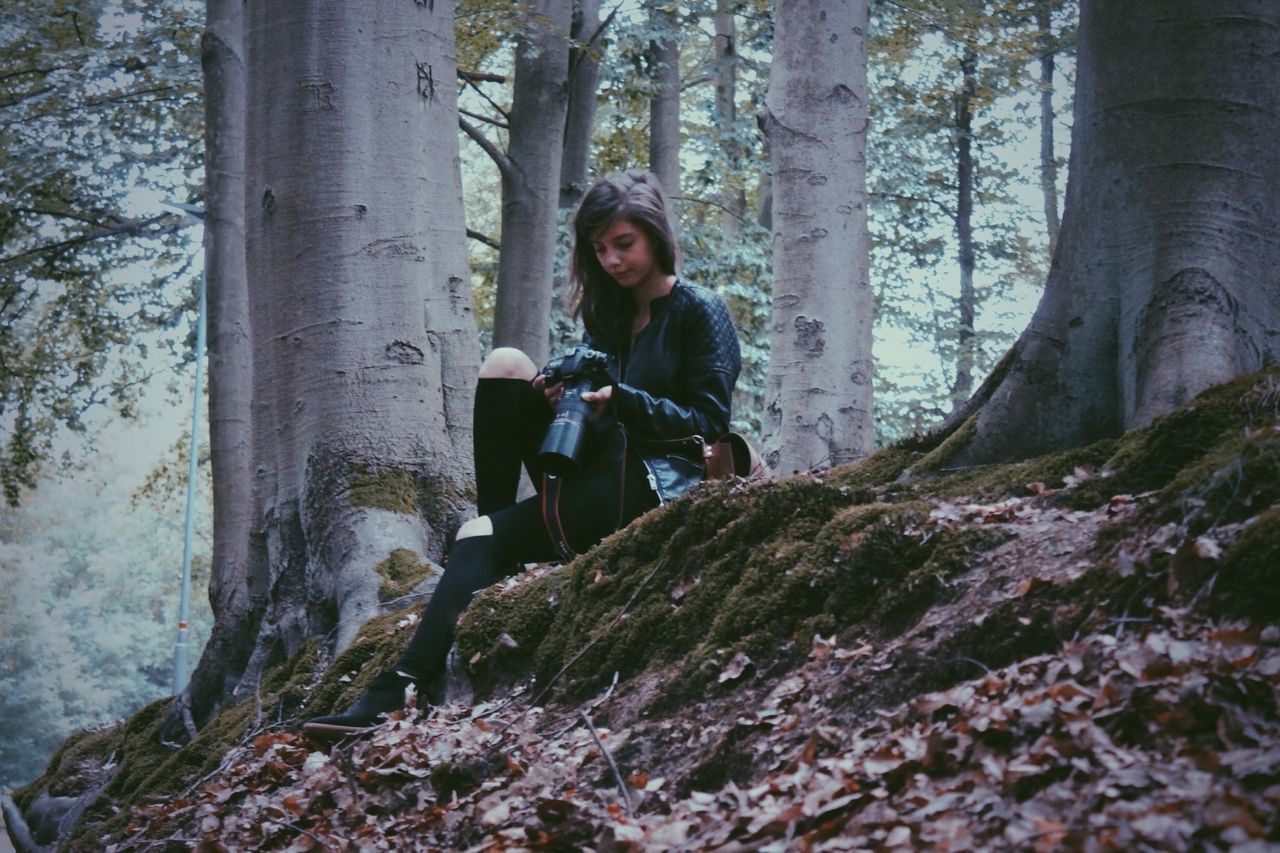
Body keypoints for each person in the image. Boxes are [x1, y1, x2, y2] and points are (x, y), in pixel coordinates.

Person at [305, 171, 741, 735]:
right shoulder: (607, 313)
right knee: (508, 364)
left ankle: (397, 690)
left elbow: (708, 425)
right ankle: (495, 533)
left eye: (623, 244)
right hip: (595, 466)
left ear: (656, 235)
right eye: (599, 248)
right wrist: (563, 391)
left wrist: (623, 401)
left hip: (652, 482)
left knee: (480, 537)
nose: (611, 260)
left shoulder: (699, 310)